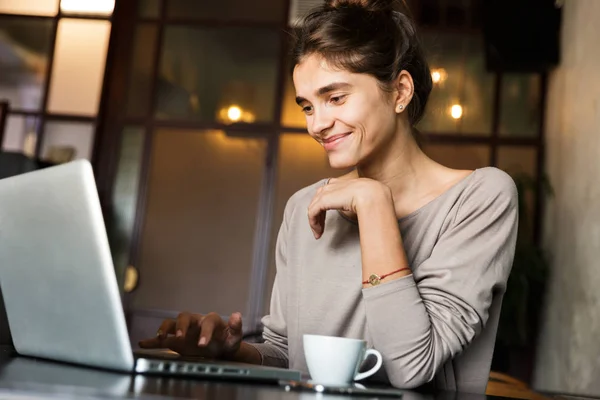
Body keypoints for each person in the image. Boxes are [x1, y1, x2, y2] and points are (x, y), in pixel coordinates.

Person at [139, 0, 518, 392]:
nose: (317, 125)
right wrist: (227, 350)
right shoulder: (305, 206)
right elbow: (288, 355)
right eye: (307, 106)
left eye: (335, 98)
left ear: (400, 91)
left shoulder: (480, 197)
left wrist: (374, 205)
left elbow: (411, 365)